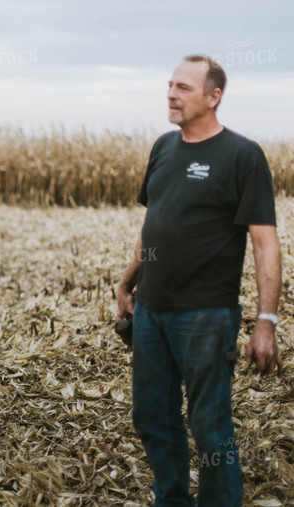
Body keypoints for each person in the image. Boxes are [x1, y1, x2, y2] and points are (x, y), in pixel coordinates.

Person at [116, 55, 282, 506]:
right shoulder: (164, 148)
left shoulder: (241, 155)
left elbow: (266, 244)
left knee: (209, 426)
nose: (171, 93)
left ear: (214, 97)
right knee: (153, 417)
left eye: (184, 87)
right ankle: (171, 499)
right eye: (170, 84)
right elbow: (154, 223)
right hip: (151, 312)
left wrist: (266, 321)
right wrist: (128, 281)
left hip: (206, 316)